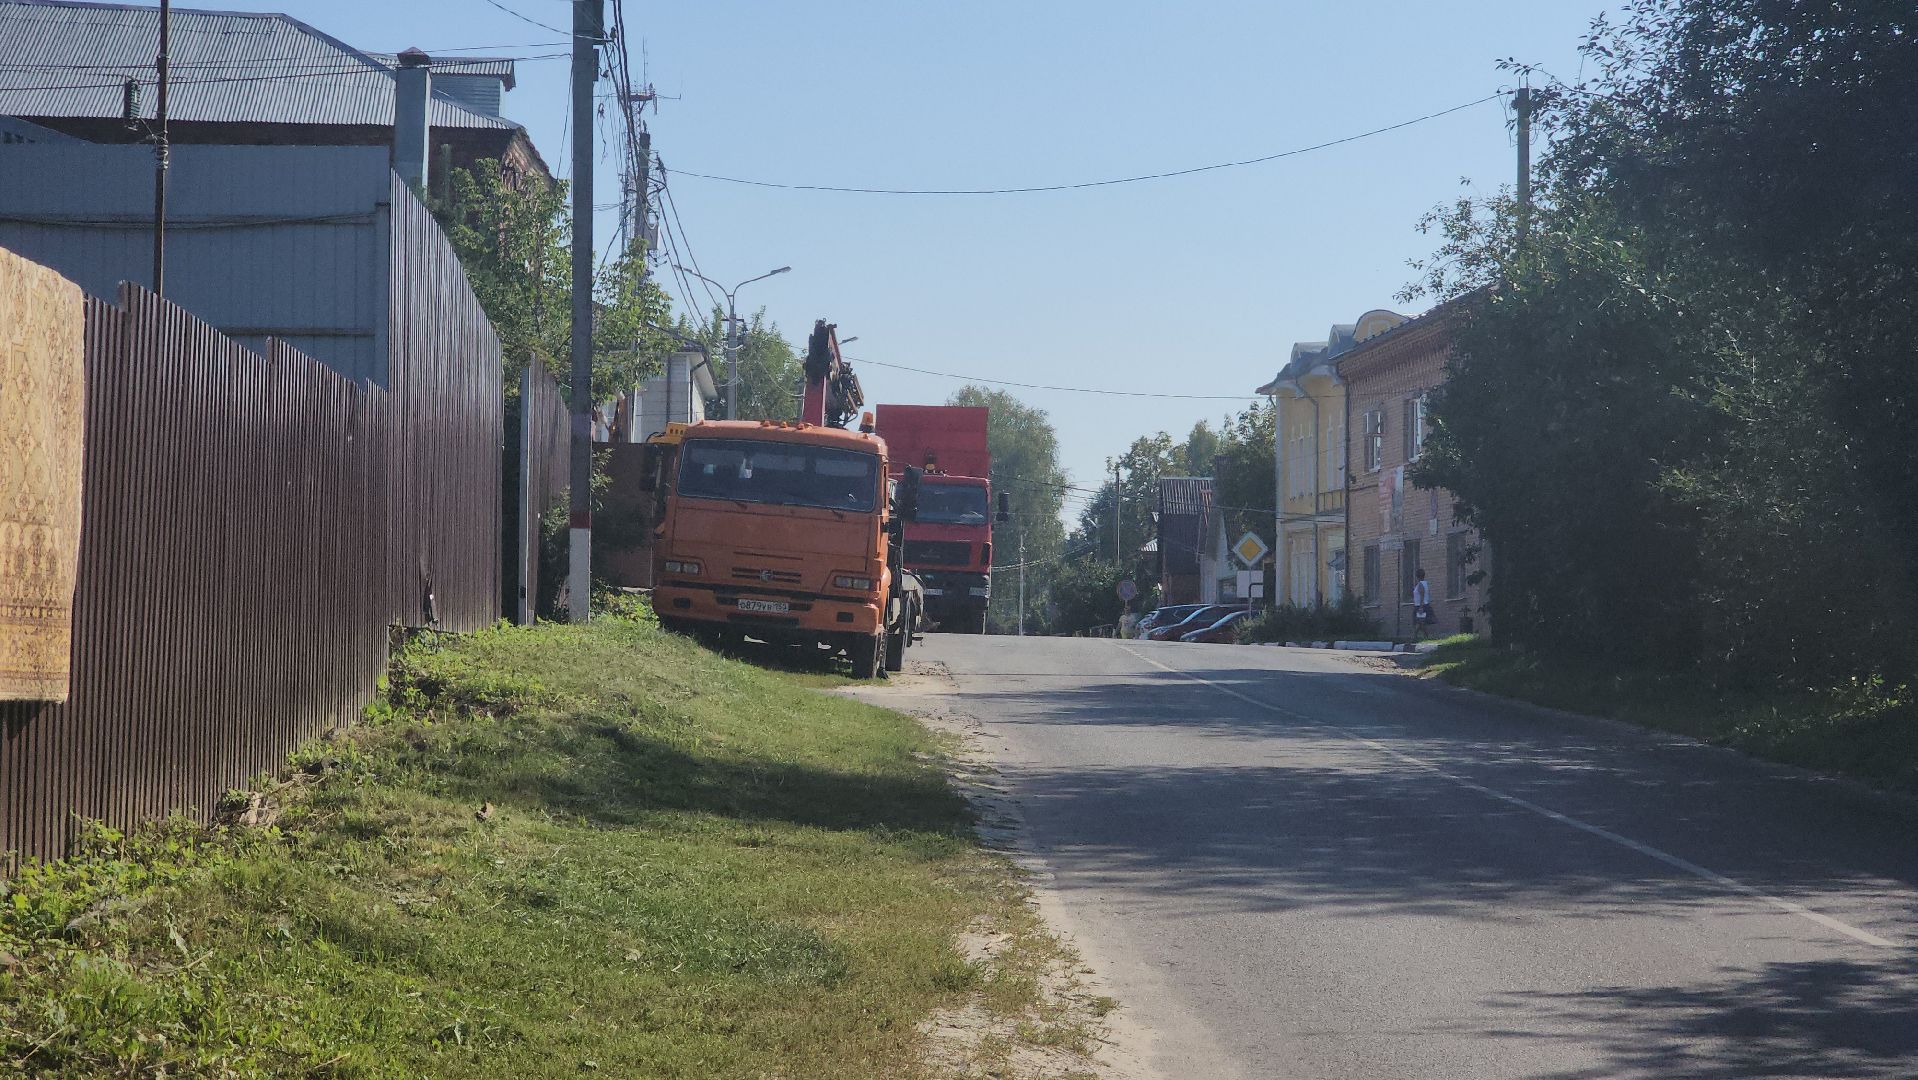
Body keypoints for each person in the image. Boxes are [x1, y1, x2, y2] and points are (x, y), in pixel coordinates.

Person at [1410, 567, 1433, 640]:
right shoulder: (1424, 583)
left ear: (1417, 576)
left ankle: (1414, 637)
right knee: (1421, 623)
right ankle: (1425, 637)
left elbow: (1422, 595)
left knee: (1418, 622)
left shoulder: (1420, 584)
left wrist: (1420, 607)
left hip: (1420, 606)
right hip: (1423, 605)